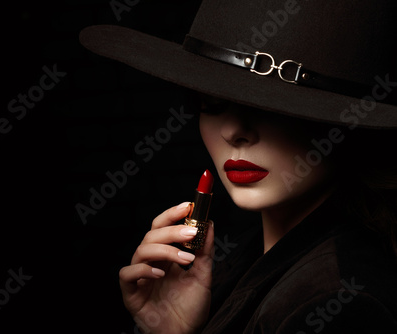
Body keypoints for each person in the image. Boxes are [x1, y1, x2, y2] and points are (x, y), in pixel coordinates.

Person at [80, 0, 397, 332]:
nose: (233, 131)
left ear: (346, 124)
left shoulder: (336, 303)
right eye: (213, 104)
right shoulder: (252, 261)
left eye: (272, 106)